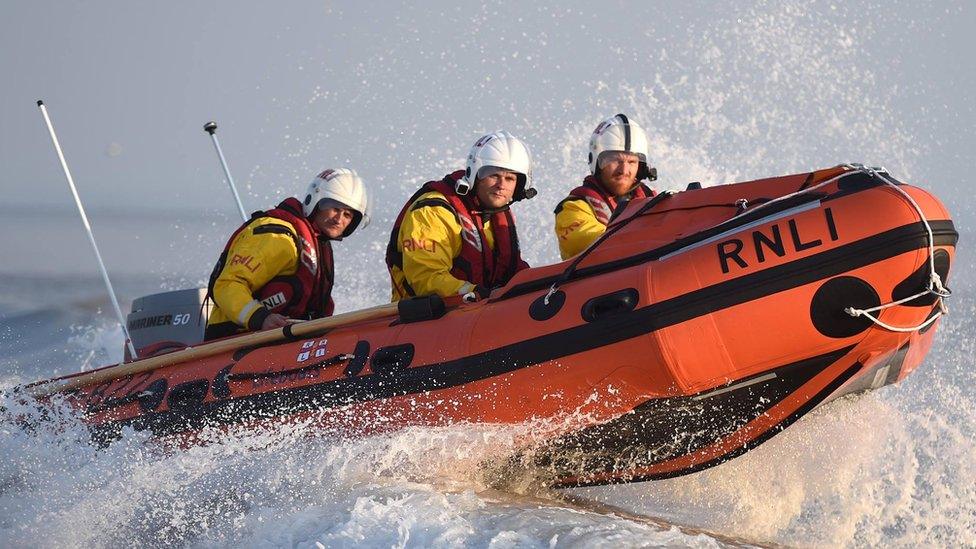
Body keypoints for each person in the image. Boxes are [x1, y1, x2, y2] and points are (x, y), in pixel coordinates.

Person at [204, 168, 370, 340]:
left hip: (282, 342)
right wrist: (261, 318)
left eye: (348, 215)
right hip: (233, 339)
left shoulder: (319, 247)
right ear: (316, 202)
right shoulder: (278, 238)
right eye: (334, 208)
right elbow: (226, 285)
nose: (339, 219)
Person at [386, 131, 535, 302]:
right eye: (494, 175)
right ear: (475, 174)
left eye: (510, 179)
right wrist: (473, 292)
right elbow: (426, 278)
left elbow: (514, 271)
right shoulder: (433, 211)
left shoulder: (496, 215)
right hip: (429, 318)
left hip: (481, 314)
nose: (501, 185)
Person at [553, 114, 658, 260]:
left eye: (632, 162)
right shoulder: (573, 208)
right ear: (597, 162)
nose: (624, 170)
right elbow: (596, 240)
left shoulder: (652, 198)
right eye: (615, 160)